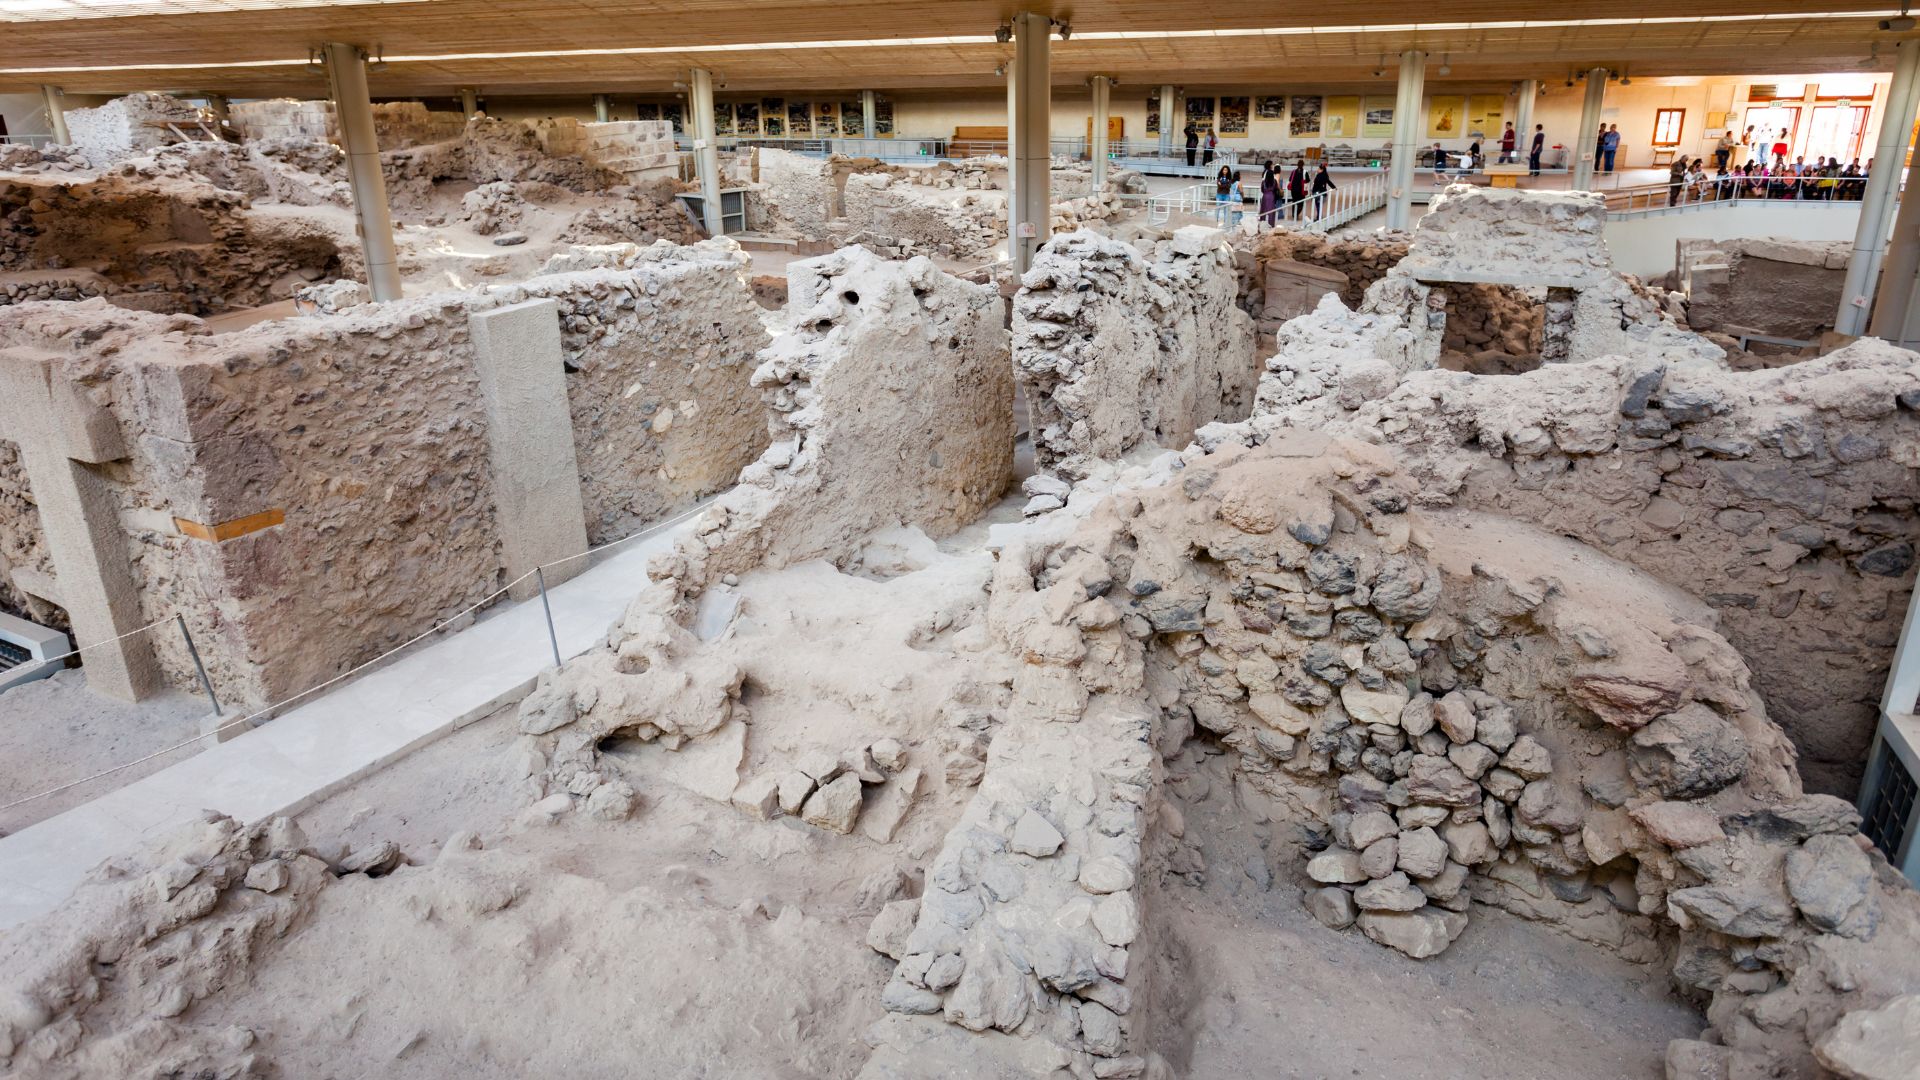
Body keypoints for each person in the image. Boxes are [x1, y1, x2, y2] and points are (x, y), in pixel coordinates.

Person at [1258, 160, 1281, 228]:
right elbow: (1275, 189)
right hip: (1271, 196)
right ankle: (1271, 225)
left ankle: (1262, 224)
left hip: (1265, 196)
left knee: (1263, 210)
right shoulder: (1274, 182)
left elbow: (1262, 189)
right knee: (1271, 211)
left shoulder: (1264, 182)